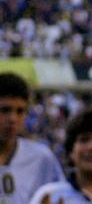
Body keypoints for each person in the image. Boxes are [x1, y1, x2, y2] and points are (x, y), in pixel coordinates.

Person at [0, 73, 63, 204]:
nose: (13, 119)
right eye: (5, 110)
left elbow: (61, 198)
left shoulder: (42, 158)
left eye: (20, 111)